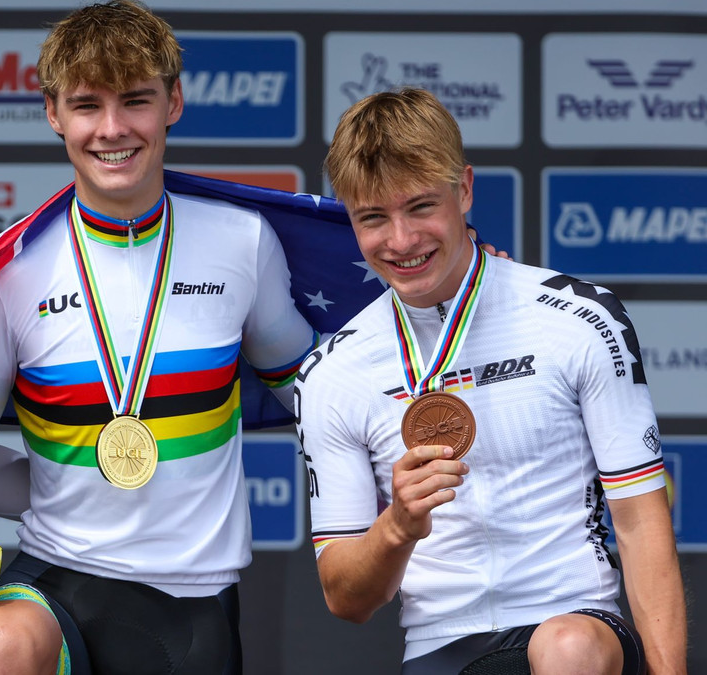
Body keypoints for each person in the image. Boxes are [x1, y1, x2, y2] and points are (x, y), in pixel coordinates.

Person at [0, 2, 319, 673]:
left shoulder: (242, 242)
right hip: (57, 572)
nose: (112, 128)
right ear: (53, 113)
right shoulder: (5, 275)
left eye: (136, 101)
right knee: (0, 648)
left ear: (173, 102)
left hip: (194, 600)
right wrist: (55, 481)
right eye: (87, 105)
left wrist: (457, 291)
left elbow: (314, 390)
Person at [294, 87, 686, 675]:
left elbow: (640, 523)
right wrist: (397, 526)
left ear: (465, 189)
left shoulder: (579, 319)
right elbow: (346, 599)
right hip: (438, 646)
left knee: (566, 648)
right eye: (373, 217)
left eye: (421, 207)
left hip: (577, 626)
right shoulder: (331, 373)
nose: (401, 241)